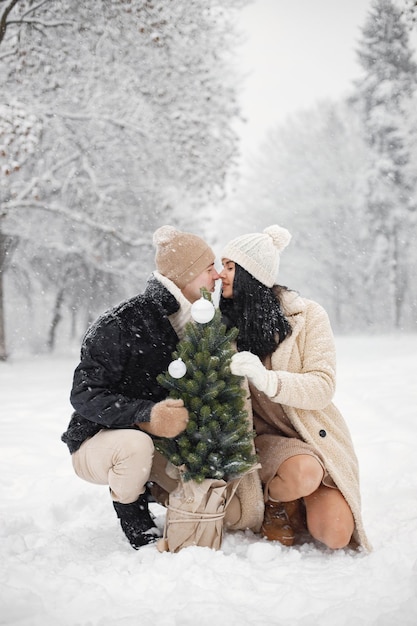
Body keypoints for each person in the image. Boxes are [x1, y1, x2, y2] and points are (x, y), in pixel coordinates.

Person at [62, 225, 264, 550]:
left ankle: (159, 493)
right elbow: (85, 395)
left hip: (163, 445)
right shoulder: (122, 324)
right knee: (134, 447)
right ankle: (135, 518)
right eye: (207, 267)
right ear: (185, 274)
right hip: (99, 442)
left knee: (227, 507)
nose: (216, 275)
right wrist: (146, 414)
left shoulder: (201, 324)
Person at [218, 224, 371, 551]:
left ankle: (300, 494)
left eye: (230, 267)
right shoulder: (219, 326)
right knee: (302, 470)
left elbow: (322, 385)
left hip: (313, 438)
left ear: (251, 273)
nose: (221, 275)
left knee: (335, 535)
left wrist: (268, 379)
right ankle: (278, 502)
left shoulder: (308, 316)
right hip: (263, 440)